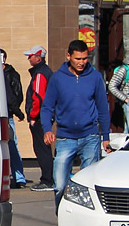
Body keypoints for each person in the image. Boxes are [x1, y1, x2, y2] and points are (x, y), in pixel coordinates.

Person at [41, 40, 113, 209]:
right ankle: (63, 217)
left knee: (89, 186)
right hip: (66, 138)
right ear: (68, 56)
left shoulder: (95, 77)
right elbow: (47, 108)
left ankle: (83, 219)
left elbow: (103, 108)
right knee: (59, 185)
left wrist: (106, 137)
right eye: (78, 59)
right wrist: (47, 130)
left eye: (85, 59)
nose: (82, 62)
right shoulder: (57, 78)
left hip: (90, 137)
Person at [23, 46, 55, 192]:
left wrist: (33, 116)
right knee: (44, 148)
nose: (28, 59)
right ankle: (49, 178)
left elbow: (38, 96)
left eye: (30, 56)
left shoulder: (41, 74)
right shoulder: (44, 72)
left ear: (38, 57)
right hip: (44, 116)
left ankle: (47, 180)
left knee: (42, 149)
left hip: (40, 118)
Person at [0, 49, 27, 187]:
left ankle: (19, 177)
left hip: (7, 114)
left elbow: (13, 96)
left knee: (12, 146)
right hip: (4, 113)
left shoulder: (8, 74)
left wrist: (17, 111)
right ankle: (16, 176)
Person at [107, 55, 129, 135]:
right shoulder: (124, 69)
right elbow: (112, 86)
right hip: (127, 101)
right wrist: (125, 99)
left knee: (127, 131)